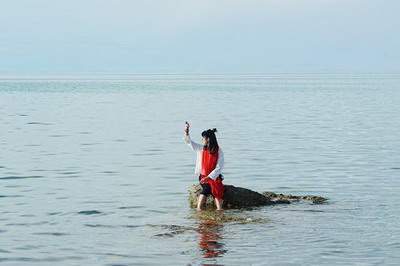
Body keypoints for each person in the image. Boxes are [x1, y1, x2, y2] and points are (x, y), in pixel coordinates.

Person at [183, 121, 224, 211]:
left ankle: (219, 210)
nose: (202, 140)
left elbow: (219, 167)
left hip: (214, 177)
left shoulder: (219, 151)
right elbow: (190, 142)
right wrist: (186, 132)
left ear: (208, 139)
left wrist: (209, 177)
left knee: (217, 189)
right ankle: (199, 208)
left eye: (203, 138)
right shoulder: (201, 149)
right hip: (203, 176)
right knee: (207, 188)